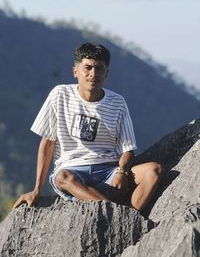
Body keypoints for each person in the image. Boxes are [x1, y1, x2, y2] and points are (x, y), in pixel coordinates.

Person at [13, 42, 163, 211]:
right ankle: (116, 215)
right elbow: (47, 143)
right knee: (63, 177)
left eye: (99, 68)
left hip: (108, 171)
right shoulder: (59, 95)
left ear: (106, 73)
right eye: (88, 68)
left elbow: (127, 150)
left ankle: (132, 217)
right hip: (72, 171)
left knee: (153, 170)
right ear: (75, 71)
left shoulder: (117, 103)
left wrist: (121, 173)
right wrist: (36, 190)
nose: (93, 73)